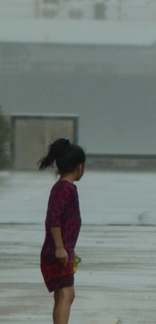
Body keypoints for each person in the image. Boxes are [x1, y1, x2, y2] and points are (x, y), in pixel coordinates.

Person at [38, 138, 87, 324]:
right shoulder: (64, 189)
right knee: (67, 294)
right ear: (79, 167)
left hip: (63, 251)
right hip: (57, 252)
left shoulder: (65, 188)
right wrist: (60, 247)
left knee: (62, 295)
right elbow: (53, 219)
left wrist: (69, 249)